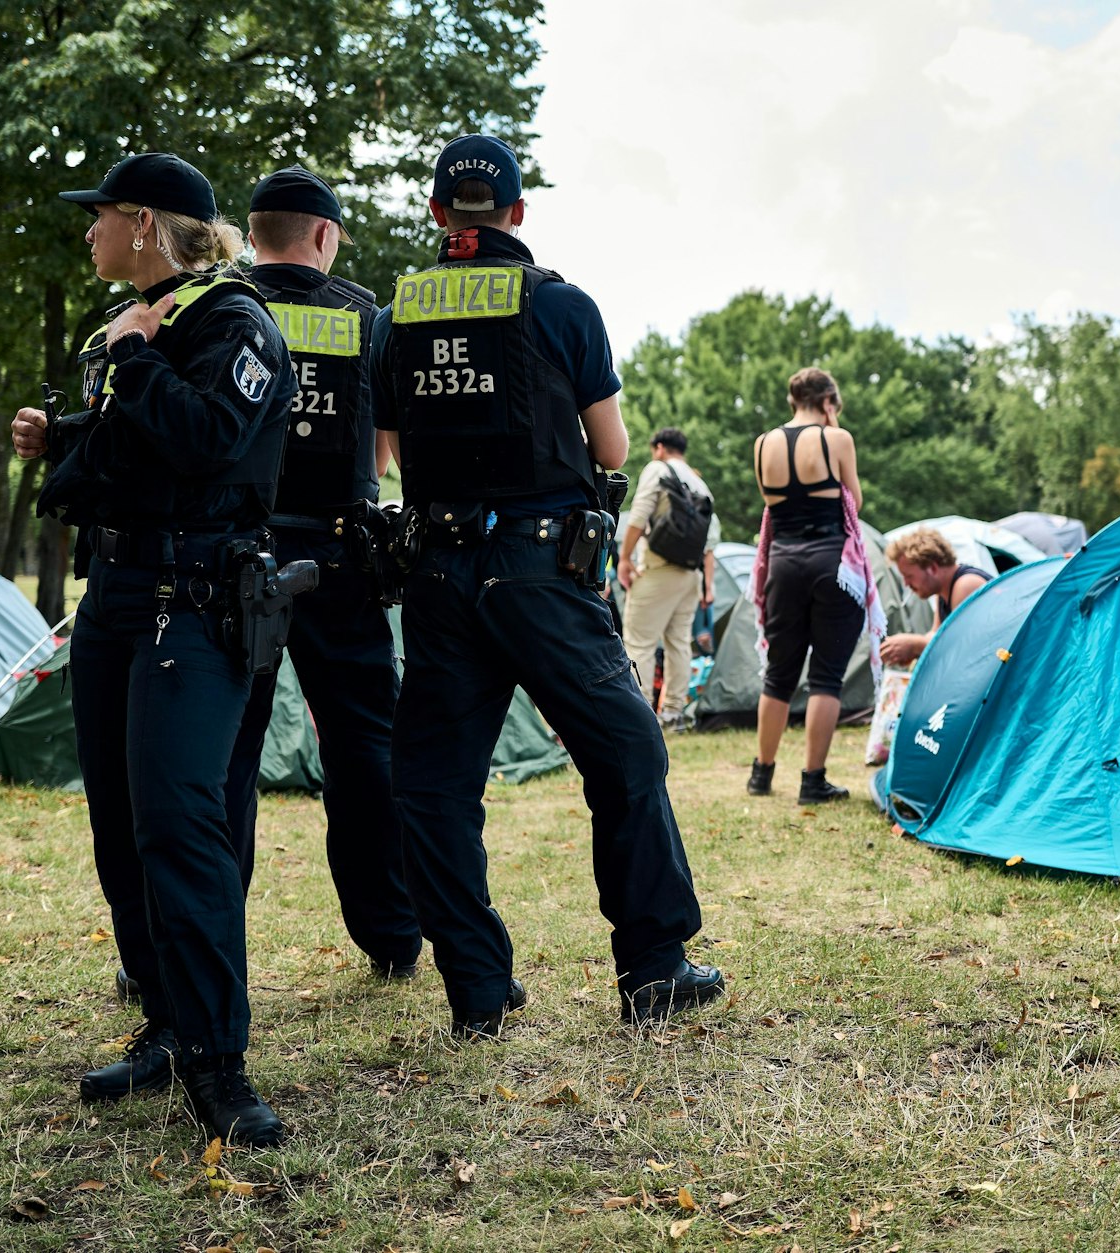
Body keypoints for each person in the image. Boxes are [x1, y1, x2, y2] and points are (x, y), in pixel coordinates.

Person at [368, 135, 721, 1038]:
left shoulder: (394, 315)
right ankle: (654, 967)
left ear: (439, 215)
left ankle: (477, 990)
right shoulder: (563, 305)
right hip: (541, 573)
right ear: (518, 213)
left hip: (440, 575)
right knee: (627, 754)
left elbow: (395, 449)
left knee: (435, 784)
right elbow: (610, 451)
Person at [9, 152, 296, 1147]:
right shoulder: (130, 326)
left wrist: (131, 361)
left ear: (143, 221)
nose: (86, 233)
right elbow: (132, 448)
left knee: (180, 821)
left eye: (97, 217)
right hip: (119, 591)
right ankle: (168, 1028)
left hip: (196, 591)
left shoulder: (230, 319)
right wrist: (65, 438)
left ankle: (220, 1062)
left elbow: (212, 438)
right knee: (121, 821)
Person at [218, 166, 422, 981]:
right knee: (366, 751)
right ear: (326, 237)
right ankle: (393, 935)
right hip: (339, 557)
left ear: (252, 231)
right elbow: (381, 447)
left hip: (235, 559)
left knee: (224, 754)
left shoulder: (217, 306)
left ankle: (206, 936)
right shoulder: (365, 315)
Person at [747, 367, 881, 804]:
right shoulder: (836, 439)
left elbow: (772, 502)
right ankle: (812, 780)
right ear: (828, 402)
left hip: (782, 565)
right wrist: (834, 429)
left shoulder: (763, 443)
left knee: (779, 675)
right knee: (826, 676)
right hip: (832, 565)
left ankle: (761, 775)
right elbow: (854, 503)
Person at [617, 427, 720, 729]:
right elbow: (711, 543)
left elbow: (639, 514)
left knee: (640, 642)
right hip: (690, 575)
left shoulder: (658, 469)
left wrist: (624, 559)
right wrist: (708, 585)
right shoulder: (699, 481)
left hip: (657, 569)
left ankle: (641, 711)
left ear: (659, 447)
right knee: (679, 644)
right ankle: (674, 713)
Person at [879, 527, 989, 667]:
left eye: (909, 576)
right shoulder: (944, 592)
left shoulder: (966, 585)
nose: (906, 584)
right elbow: (936, 635)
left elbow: (963, 646)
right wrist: (912, 652)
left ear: (932, 568)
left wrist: (914, 644)